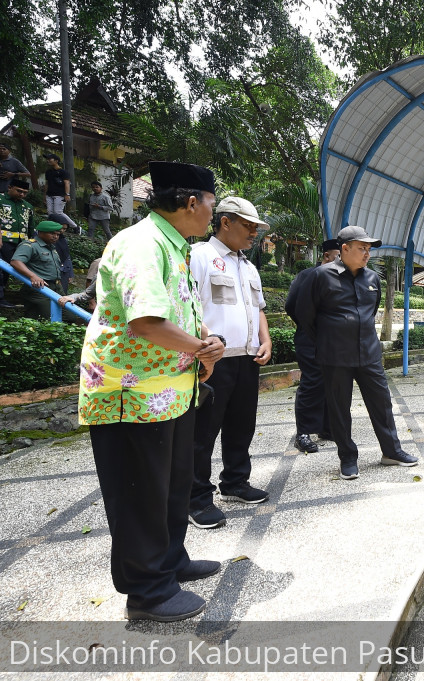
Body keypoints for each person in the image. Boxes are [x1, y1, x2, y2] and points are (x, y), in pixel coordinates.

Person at [79, 161, 226, 622]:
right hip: (132, 394)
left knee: (172, 486)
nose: (211, 214)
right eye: (210, 205)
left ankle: (170, 562)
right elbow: (144, 321)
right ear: (189, 203)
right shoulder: (141, 243)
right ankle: (147, 592)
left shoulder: (174, 244)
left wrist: (206, 342)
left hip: (169, 390)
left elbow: (178, 311)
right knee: (140, 492)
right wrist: (203, 348)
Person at [294, 225, 419, 479]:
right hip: (335, 356)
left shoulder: (372, 278)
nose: (367, 254)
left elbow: (370, 312)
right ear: (344, 249)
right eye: (362, 248)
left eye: (369, 249)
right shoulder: (321, 276)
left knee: (382, 403)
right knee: (340, 408)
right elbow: (304, 316)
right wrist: (330, 339)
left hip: (369, 353)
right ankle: (348, 457)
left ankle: (391, 451)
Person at [188, 196, 272, 530]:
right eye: (249, 226)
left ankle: (235, 482)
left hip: (247, 360)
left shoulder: (249, 266)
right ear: (226, 222)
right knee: (202, 433)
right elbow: (187, 305)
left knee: (241, 427)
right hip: (214, 361)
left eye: (256, 228)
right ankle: (196, 499)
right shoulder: (200, 257)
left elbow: (259, 308)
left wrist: (265, 340)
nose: (254, 234)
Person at [286, 239, 341, 453]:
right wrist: (310, 327)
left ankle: (327, 428)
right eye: (337, 256)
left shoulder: (340, 277)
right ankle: (303, 433)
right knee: (311, 383)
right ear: (326, 256)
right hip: (310, 339)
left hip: (333, 341)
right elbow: (291, 305)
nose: (340, 260)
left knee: (332, 382)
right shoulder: (308, 275)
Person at [10, 219, 63, 319]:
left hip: (56, 288)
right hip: (40, 288)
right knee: (50, 317)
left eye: (57, 234)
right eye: (52, 233)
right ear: (40, 232)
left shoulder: (52, 248)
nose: (55, 237)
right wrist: (32, 276)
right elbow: (15, 262)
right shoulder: (30, 245)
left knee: (71, 317)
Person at [0, 177, 36, 307]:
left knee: (9, 270)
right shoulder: (1, 200)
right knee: (2, 268)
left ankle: (3, 293)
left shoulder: (27, 206)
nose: (22, 194)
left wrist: (31, 243)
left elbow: (31, 226)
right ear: (9, 188)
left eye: (25, 192)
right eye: (19, 191)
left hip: (21, 243)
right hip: (3, 240)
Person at [42, 154, 77, 230]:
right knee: (50, 213)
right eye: (47, 159)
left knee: (58, 212)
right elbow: (47, 184)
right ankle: (54, 227)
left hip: (60, 195)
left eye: (50, 159)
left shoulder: (63, 172)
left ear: (56, 161)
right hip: (49, 194)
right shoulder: (48, 172)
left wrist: (67, 194)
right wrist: (44, 195)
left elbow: (67, 183)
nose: (48, 161)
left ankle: (75, 227)